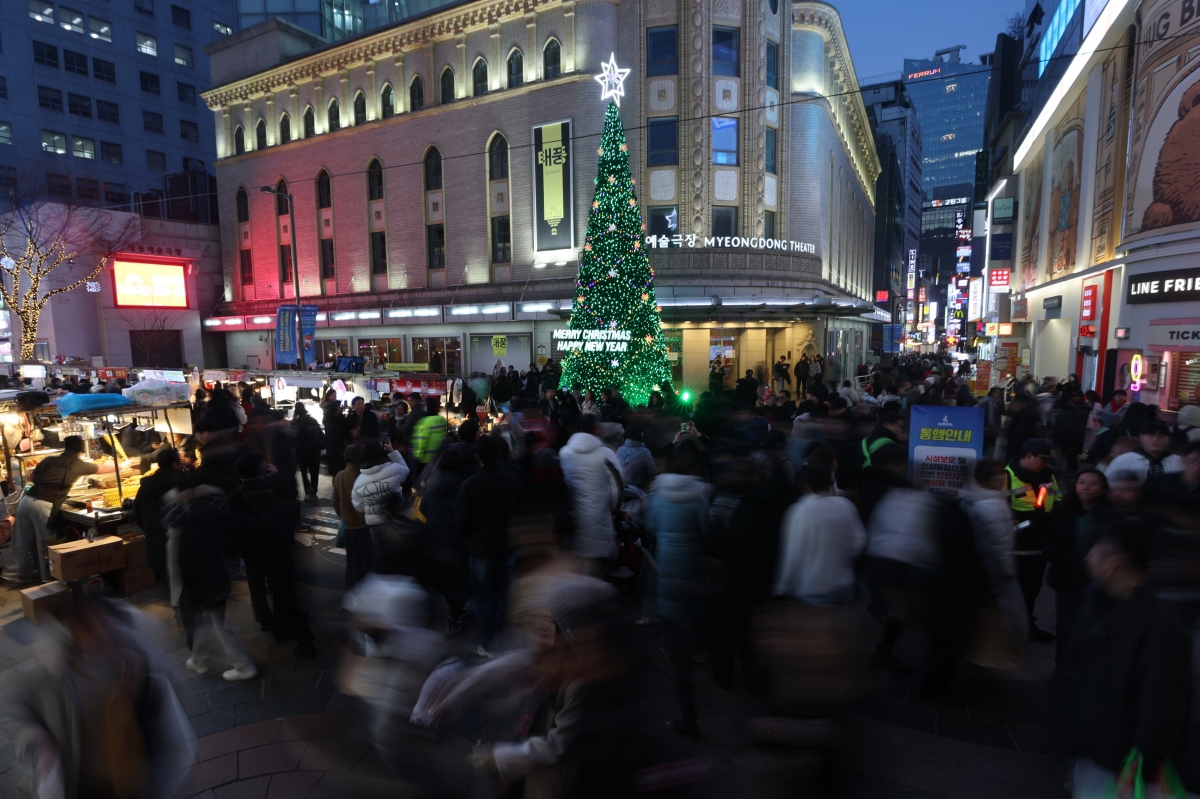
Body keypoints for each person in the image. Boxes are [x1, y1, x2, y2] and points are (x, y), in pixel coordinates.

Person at [0, 594, 195, 799]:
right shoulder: (51, 674)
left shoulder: (146, 667)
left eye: (102, 621)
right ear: (71, 630)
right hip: (80, 788)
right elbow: (14, 712)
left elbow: (176, 742)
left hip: (139, 789)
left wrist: (141, 693)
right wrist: (39, 741)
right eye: (86, 626)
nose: (100, 632)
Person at [1063, 525, 1192, 788]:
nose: (1088, 557)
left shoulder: (1160, 624)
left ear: (1115, 563)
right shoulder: (1103, 602)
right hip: (1097, 756)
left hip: (1121, 769)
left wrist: (1141, 766)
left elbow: (1162, 704)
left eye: (1097, 550)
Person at [643, 447, 711, 740]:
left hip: (668, 580)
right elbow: (708, 533)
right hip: (695, 578)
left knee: (677, 660)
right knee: (694, 628)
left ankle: (687, 716)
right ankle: (698, 646)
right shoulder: (701, 498)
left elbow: (651, 528)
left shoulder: (657, 497)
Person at [3, 436, 112, 584]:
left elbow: (32, 477)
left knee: (21, 539)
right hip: (43, 505)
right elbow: (102, 469)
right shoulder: (77, 464)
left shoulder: (49, 460)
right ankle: (48, 577)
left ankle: (13, 573)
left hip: (26, 502)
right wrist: (121, 464)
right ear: (80, 449)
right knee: (46, 542)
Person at [457, 435, 525, 656]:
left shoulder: (469, 484)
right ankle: (505, 639)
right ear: (498, 454)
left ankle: (489, 643)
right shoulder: (513, 479)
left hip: (480, 548)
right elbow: (521, 513)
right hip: (507, 546)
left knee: (484, 598)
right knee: (505, 595)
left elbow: (462, 521)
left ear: (478, 457)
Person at [773, 464, 866, 604]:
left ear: (804, 485)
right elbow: (859, 540)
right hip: (844, 584)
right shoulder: (845, 505)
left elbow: (794, 553)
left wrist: (782, 587)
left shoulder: (800, 511)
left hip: (813, 588)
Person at [1047, 468, 1111, 667]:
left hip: (1097, 578)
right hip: (1067, 576)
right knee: (1066, 625)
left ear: (1102, 489)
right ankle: (1065, 665)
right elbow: (1050, 541)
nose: (1086, 487)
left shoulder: (1108, 515)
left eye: (1092, 483)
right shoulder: (1063, 510)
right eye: (1082, 482)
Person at [1005, 438, 1059, 642]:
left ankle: (1027, 624)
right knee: (1014, 590)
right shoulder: (1006, 477)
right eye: (1042, 460)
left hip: (1040, 545)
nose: (1046, 465)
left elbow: (1056, 500)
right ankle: (1010, 630)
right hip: (1015, 547)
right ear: (1028, 456)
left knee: (1033, 588)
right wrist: (1025, 523)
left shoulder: (1048, 477)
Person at [560, 414, 624, 575]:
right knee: (596, 568)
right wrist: (613, 509)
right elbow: (618, 485)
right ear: (596, 429)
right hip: (599, 518)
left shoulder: (564, 453)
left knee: (576, 565)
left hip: (573, 518)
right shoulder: (605, 454)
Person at [351, 440, 411, 572]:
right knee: (401, 555)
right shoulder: (395, 469)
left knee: (380, 556)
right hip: (396, 521)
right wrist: (393, 452)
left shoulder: (359, 481)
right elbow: (406, 471)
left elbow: (359, 506)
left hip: (375, 525)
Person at [134, 447, 187, 579]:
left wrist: (149, 529)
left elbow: (137, 512)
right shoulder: (181, 483)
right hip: (179, 541)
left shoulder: (146, 485)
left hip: (156, 541)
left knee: (168, 580)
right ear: (175, 464)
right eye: (180, 461)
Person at [332, 444, 372, 589]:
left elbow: (335, 500)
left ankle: (353, 588)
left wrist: (343, 513)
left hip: (349, 527)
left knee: (352, 562)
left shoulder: (340, 476)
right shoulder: (365, 476)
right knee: (367, 560)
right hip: (366, 526)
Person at [1105, 419, 1184, 483]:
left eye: (1161, 436)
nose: (1155, 440)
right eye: (1151, 436)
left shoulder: (1179, 462)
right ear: (1141, 437)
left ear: (1168, 439)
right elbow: (1108, 482)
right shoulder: (1123, 460)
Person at [292, 402, 324, 501]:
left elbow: (292, 438)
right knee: (315, 472)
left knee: (303, 473)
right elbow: (321, 435)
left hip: (301, 452)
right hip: (314, 451)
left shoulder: (295, 422)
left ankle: (307, 489)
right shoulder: (313, 420)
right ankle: (314, 489)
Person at [411, 397, 447, 477]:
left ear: (426, 406)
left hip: (425, 460)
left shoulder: (425, 422)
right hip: (438, 458)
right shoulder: (441, 420)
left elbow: (421, 441)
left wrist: (417, 457)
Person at [617, 423, 657, 491]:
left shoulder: (619, 450)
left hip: (623, 489)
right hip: (639, 489)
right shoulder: (645, 452)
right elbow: (653, 472)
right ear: (640, 434)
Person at [321, 389, 347, 479]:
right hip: (335, 448)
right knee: (337, 471)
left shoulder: (335, 419)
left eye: (335, 395)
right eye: (333, 395)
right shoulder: (328, 407)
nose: (334, 397)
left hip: (334, 448)